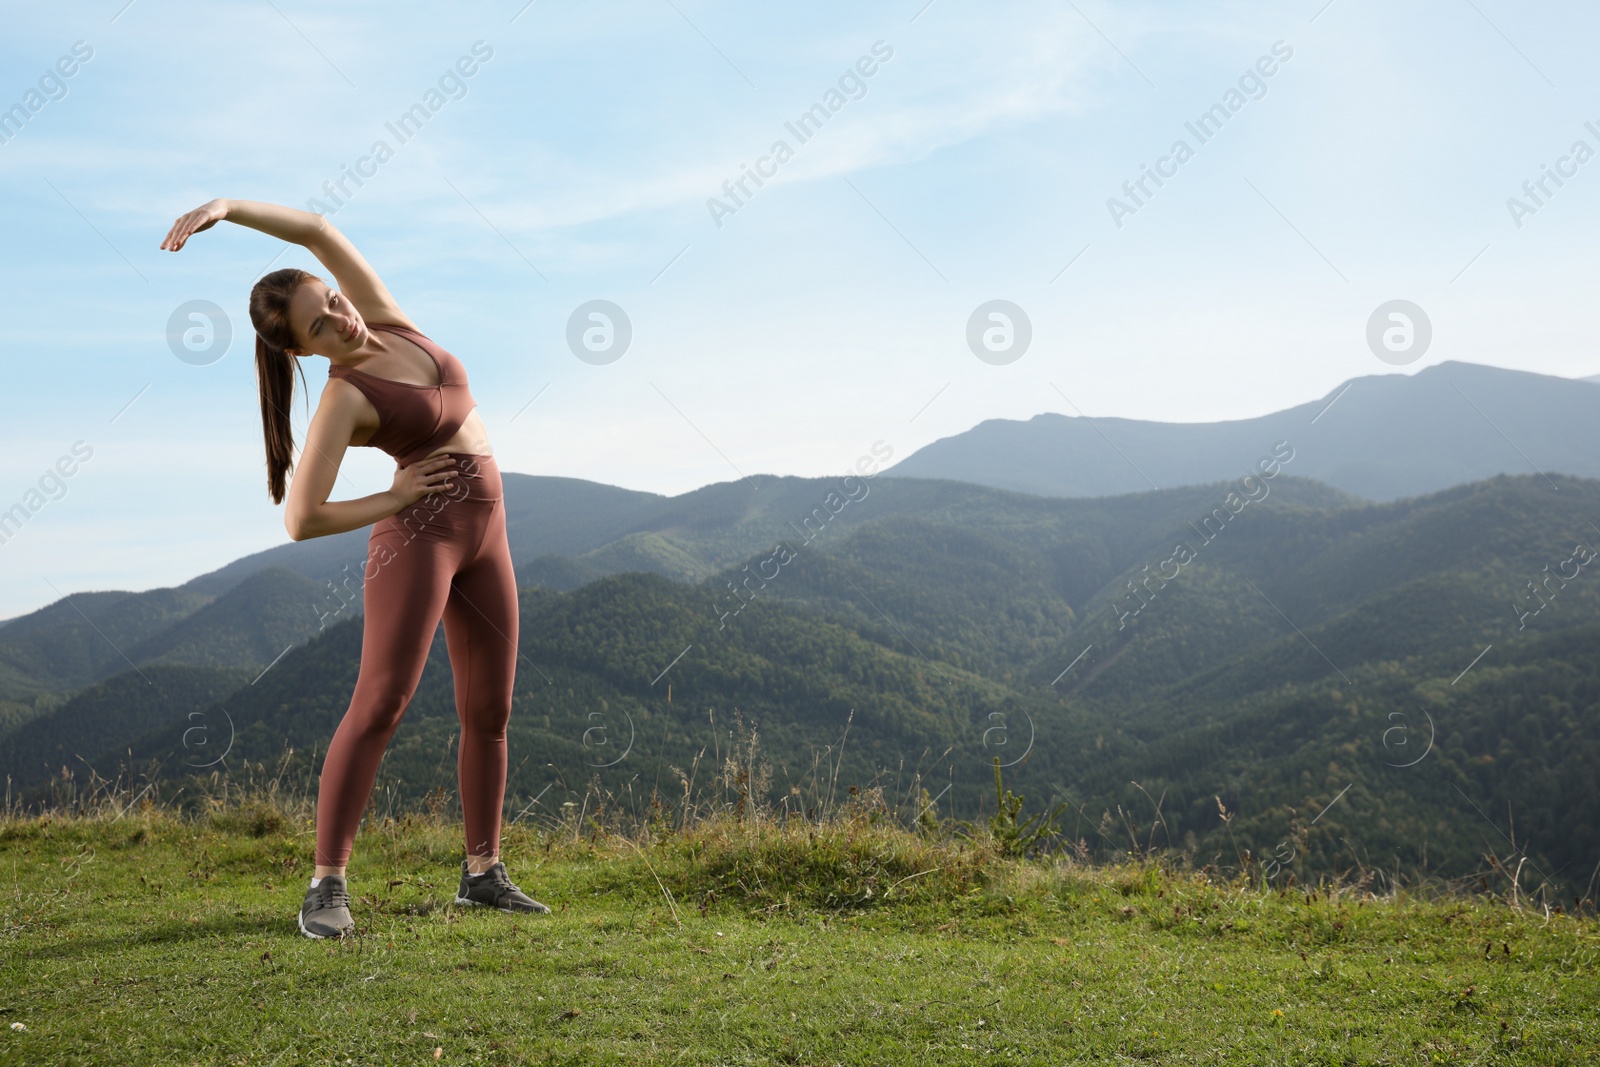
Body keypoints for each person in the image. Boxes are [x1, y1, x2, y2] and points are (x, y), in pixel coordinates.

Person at [159, 199, 550, 937]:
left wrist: (229, 208)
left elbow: (317, 231)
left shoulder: (384, 315)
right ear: (304, 351)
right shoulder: (343, 396)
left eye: (331, 301)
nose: (340, 318)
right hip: (420, 539)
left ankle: (482, 872)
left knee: (491, 709)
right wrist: (395, 494)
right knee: (381, 702)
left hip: (487, 532)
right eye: (319, 325)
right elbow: (301, 518)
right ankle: (325, 885)